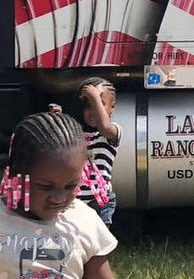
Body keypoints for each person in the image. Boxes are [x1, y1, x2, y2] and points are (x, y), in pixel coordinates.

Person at [0, 111, 117, 279]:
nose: (59, 198)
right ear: (17, 175)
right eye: (46, 187)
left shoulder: (84, 221)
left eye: (70, 186)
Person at [50, 77, 120, 226]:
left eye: (100, 104)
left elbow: (104, 127)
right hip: (75, 202)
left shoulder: (111, 133)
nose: (93, 110)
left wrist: (94, 96)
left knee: (97, 245)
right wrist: (58, 118)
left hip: (99, 202)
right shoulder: (78, 134)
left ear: (113, 107)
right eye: (88, 105)